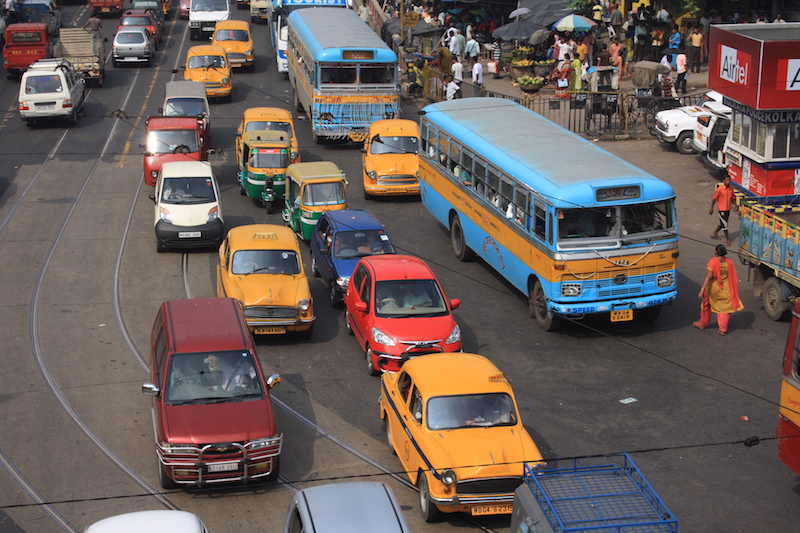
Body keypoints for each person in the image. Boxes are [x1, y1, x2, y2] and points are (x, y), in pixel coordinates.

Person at [694, 244, 744, 335]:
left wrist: (702, 289)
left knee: (706, 306)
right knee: (724, 309)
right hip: (726, 289)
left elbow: (709, 277)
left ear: (716, 251)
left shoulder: (713, 262)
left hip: (713, 289)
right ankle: (723, 329)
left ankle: (702, 324)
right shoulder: (729, 262)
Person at [710, 176, 735, 246]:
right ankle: (728, 239)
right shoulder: (720, 189)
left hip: (728, 209)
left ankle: (714, 233)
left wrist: (735, 206)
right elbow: (714, 198)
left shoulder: (731, 188)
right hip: (721, 209)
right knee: (725, 225)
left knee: (723, 223)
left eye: (729, 180)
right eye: (727, 180)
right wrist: (712, 208)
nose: (728, 182)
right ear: (723, 180)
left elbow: (733, 197)